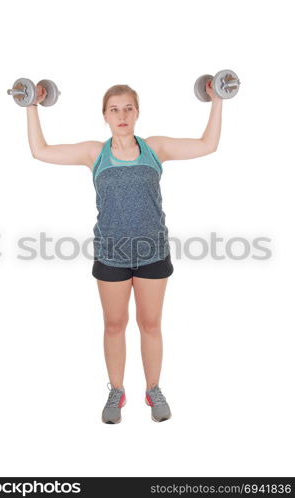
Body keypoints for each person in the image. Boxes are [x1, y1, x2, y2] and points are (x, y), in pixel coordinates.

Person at [26, 81, 222, 424]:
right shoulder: (94, 153)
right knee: (114, 325)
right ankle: (116, 392)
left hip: (153, 251)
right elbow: (40, 151)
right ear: (104, 115)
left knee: (150, 324)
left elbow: (208, 144)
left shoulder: (154, 148)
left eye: (128, 108)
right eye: (114, 109)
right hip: (111, 253)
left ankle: (153, 389)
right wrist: (32, 105)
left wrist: (217, 98)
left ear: (137, 113)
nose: (122, 115)